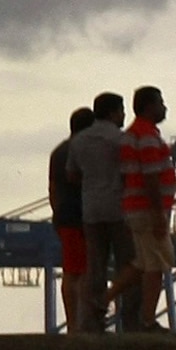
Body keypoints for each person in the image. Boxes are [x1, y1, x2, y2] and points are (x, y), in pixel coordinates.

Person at [120, 85, 176, 333]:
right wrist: (158, 216)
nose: (165, 107)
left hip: (135, 208)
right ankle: (147, 321)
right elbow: (151, 177)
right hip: (148, 211)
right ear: (149, 107)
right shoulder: (147, 137)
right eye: (161, 103)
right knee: (158, 265)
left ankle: (102, 300)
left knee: (142, 263)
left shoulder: (133, 134)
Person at [72, 91, 127, 332]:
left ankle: (91, 321)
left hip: (91, 209)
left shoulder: (79, 140)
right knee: (127, 266)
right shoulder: (121, 140)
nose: (124, 115)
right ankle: (130, 320)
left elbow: (72, 174)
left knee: (95, 268)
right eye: (121, 110)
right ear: (113, 112)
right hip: (118, 208)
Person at [49, 105, 94, 333]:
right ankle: (80, 324)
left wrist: (56, 214)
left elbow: (53, 188)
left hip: (65, 216)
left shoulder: (58, 152)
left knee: (70, 271)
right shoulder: (84, 150)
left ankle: (72, 323)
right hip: (83, 216)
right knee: (84, 272)